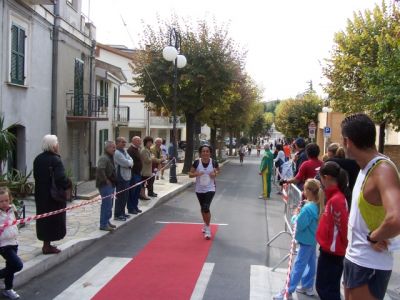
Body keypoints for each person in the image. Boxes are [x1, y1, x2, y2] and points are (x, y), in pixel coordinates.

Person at [341, 113, 400, 300]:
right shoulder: (366, 166)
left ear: (347, 141)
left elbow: (397, 218)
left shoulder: (383, 170)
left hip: (369, 264)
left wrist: (375, 237)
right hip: (356, 259)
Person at [274, 179, 323, 300]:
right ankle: (307, 286)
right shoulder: (317, 205)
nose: (302, 191)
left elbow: (298, 224)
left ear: (309, 191)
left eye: (305, 189)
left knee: (298, 266)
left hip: (306, 240)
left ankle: (288, 290)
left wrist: (295, 215)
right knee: (310, 263)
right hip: (312, 239)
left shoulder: (308, 208)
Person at [316, 161, 350, 300]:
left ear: (327, 178)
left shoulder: (337, 200)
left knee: (327, 290)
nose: (320, 181)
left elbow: (344, 227)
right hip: (329, 249)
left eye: (321, 177)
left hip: (333, 252)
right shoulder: (334, 198)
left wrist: (342, 247)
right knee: (324, 288)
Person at [33, 134, 71, 254]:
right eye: (57, 143)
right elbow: (61, 179)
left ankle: (46, 244)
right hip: (53, 196)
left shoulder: (38, 159)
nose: (58, 145)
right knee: (53, 220)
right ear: (53, 145)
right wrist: (68, 184)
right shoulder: (55, 160)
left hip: (40, 194)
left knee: (44, 219)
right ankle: (47, 247)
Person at [189, 145, 219, 240]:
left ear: (210, 153)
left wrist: (215, 174)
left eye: (207, 151)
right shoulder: (197, 162)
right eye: (203, 151)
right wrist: (196, 174)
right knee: (202, 208)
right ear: (200, 153)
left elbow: (218, 171)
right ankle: (205, 224)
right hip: (199, 189)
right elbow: (190, 174)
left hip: (210, 188)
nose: (205, 153)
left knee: (206, 207)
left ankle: (208, 229)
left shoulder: (213, 162)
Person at [0, 187, 23, 299]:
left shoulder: (12, 209)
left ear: (10, 199)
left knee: (11, 266)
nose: (4, 203)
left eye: (6, 200)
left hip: (14, 242)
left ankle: (8, 289)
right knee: (18, 265)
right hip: (4, 245)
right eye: (1, 201)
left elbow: (15, 223)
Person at [96, 141, 117, 231]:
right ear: (107, 148)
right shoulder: (104, 158)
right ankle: (103, 224)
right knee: (106, 205)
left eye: (114, 147)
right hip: (105, 185)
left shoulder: (110, 157)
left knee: (110, 204)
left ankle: (107, 221)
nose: (114, 149)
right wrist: (106, 180)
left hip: (110, 184)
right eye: (112, 147)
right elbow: (100, 169)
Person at [113, 137, 133, 221]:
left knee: (125, 196)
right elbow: (125, 163)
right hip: (121, 177)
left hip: (127, 176)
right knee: (120, 196)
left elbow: (131, 160)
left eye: (125, 142)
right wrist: (129, 163)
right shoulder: (117, 153)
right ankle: (117, 214)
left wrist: (129, 163)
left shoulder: (124, 151)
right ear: (117, 143)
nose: (124, 144)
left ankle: (122, 212)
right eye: (122, 142)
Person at [127, 136, 146, 214]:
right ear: (133, 141)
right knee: (132, 192)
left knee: (137, 192)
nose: (140, 142)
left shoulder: (137, 149)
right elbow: (130, 163)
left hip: (138, 173)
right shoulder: (130, 150)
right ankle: (131, 208)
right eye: (138, 141)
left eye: (140, 141)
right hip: (133, 174)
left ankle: (135, 206)